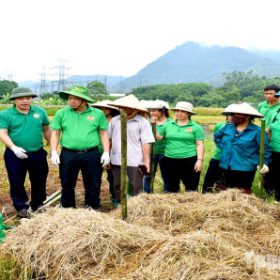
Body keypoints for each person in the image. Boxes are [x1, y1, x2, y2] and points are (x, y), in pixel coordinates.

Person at [50, 86, 110, 209]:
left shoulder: (97, 114)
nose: (72, 101)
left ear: (85, 100)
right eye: (70, 98)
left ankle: (92, 206)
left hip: (91, 153)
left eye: (76, 99)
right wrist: (53, 152)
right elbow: (55, 133)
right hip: (68, 154)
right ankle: (67, 207)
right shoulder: (61, 113)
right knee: (67, 182)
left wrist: (106, 152)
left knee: (93, 182)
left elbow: (103, 133)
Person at [0, 87, 51, 218]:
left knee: (39, 179)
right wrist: (13, 147)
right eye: (21, 98)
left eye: (28, 98)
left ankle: (38, 204)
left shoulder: (40, 112)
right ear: (14, 100)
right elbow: (2, 133)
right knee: (16, 181)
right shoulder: (5, 114)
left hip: (37, 153)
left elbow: (46, 129)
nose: (25, 101)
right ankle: (21, 206)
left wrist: (52, 146)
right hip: (15, 154)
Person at [214, 102, 271, 193]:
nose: (235, 116)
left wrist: (265, 163)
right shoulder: (228, 128)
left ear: (248, 116)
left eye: (239, 114)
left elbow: (265, 150)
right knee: (222, 190)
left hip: (245, 168)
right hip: (225, 165)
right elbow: (217, 137)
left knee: (242, 193)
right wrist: (224, 147)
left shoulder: (257, 131)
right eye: (234, 114)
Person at [108, 94, 155, 202]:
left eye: (128, 108)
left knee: (136, 185)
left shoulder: (143, 122)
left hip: (135, 159)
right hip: (116, 158)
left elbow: (145, 143)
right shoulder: (114, 121)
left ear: (135, 109)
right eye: (123, 107)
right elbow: (109, 139)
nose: (126, 110)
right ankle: (120, 206)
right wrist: (108, 156)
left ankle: (136, 207)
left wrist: (147, 162)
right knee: (118, 185)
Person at [157, 101, 205, 192]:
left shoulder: (196, 127)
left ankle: (191, 204)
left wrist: (199, 160)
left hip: (189, 159)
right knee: (172, 187)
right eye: (177, 111)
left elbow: (200, 144)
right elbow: (158, 138)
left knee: (191, 187)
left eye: (182, 111)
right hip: (169, 159)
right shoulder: (168, 125)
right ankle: (174, 205)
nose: (179, 113)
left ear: (189, 113)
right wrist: (153, 125)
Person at [92, 100, 119, 207]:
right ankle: (94, 199)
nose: (103, 110)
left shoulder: (117, 121)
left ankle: (115, 198)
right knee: (95, 177)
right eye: (101, 108)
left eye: (106, 108)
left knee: (113, 178)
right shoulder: (95, 119)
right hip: (96, 151)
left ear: (112, 109)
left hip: (113, 152)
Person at [141, 100, 171, 193]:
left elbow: (158, 138)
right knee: (148, 175)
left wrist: (153, 125)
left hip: (164, 153)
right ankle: (147, 194)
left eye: (154, 110)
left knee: (166, 176)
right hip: (149, 152)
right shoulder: (147, 122)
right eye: (150, 110)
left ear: (162, 111)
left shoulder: (170, 123)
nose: (151, 113)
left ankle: (167, 195)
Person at [202, 105, 233, 192]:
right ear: (227, 115)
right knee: (209, 179)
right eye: (230, 115)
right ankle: (205, 194)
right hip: (218, 156)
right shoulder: (219, 126)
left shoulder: (241, 129)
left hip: (233, 159)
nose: (232, 117)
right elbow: (216, 139)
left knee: (227, 181)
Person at [265, 91, 280, 200]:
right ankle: (271, 198)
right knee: (270, 176)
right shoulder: (275, 113)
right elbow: (268, 130)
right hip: (273, 150)